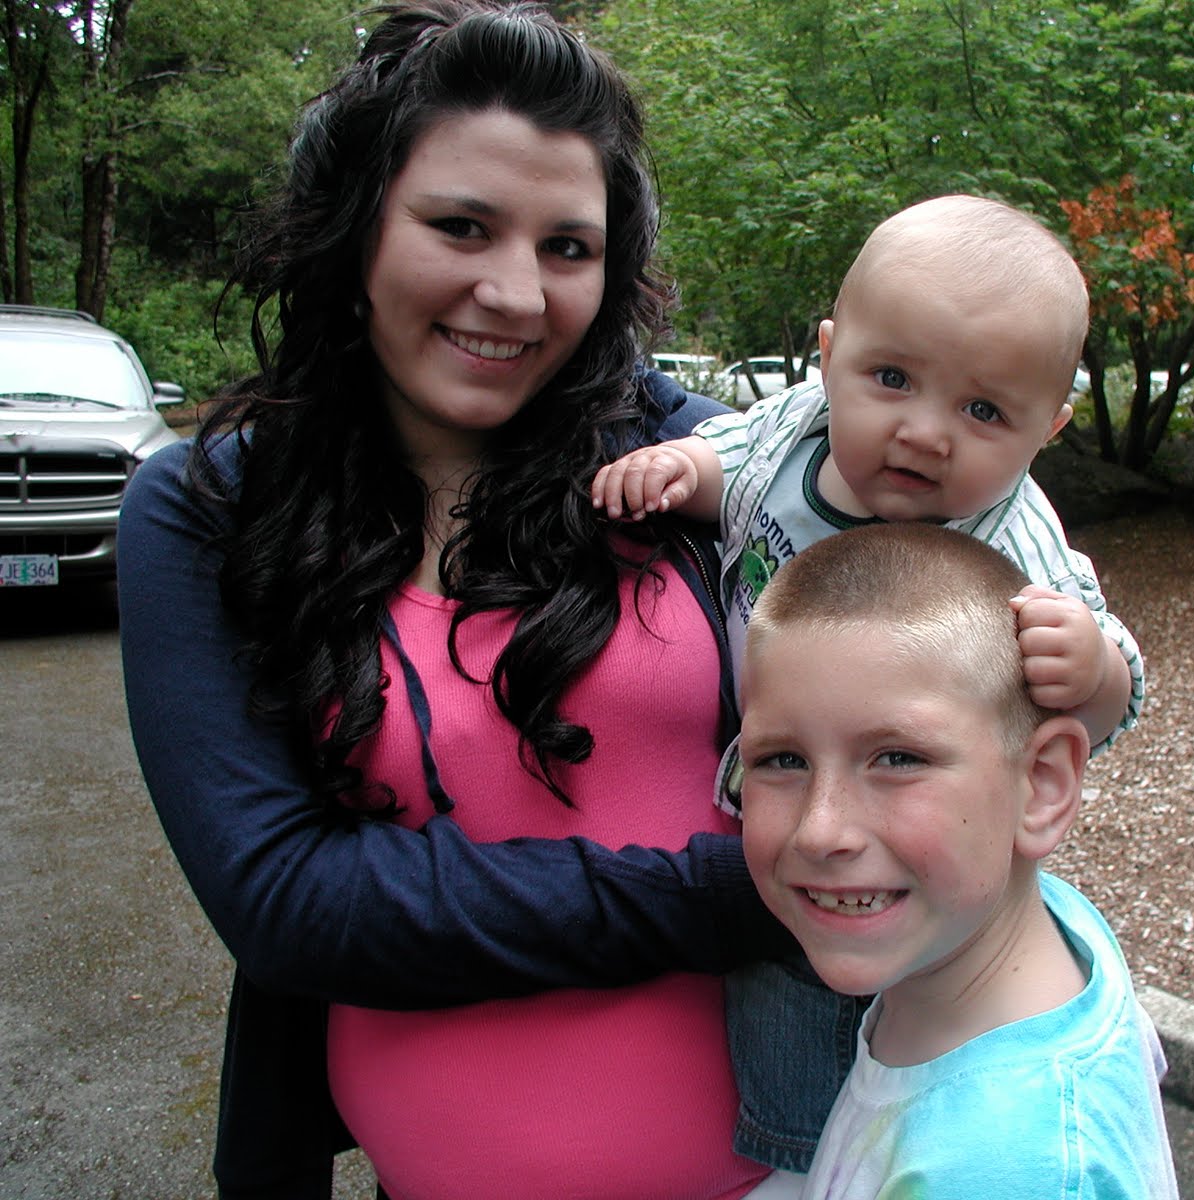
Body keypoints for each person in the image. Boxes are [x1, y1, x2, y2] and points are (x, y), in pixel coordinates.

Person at [116, 3, 854, 1197]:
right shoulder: (213, 507)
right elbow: (287, 898)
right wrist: (741, 893)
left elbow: (926, 675)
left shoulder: (704, 467)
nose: (515, 294)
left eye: (567, 248)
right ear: (355, 225)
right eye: (460, 226)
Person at [591, 194, 1143, 752]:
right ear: (830, 361)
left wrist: (1094, 674)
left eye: (983, 410)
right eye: (893, 378)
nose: (924, 435)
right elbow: (733, 462)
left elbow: (1099, 712)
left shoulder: (1016, 549)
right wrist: (679, 468)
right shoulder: (799, 427)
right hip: (750, 738)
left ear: (1045, 433)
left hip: (888, 784)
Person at [737, 522, 1179, 1199]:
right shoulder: (1032, 930)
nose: (820, 831)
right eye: (782, 760)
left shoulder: (1006, 1170)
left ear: (1043, 784)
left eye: (897, 758)